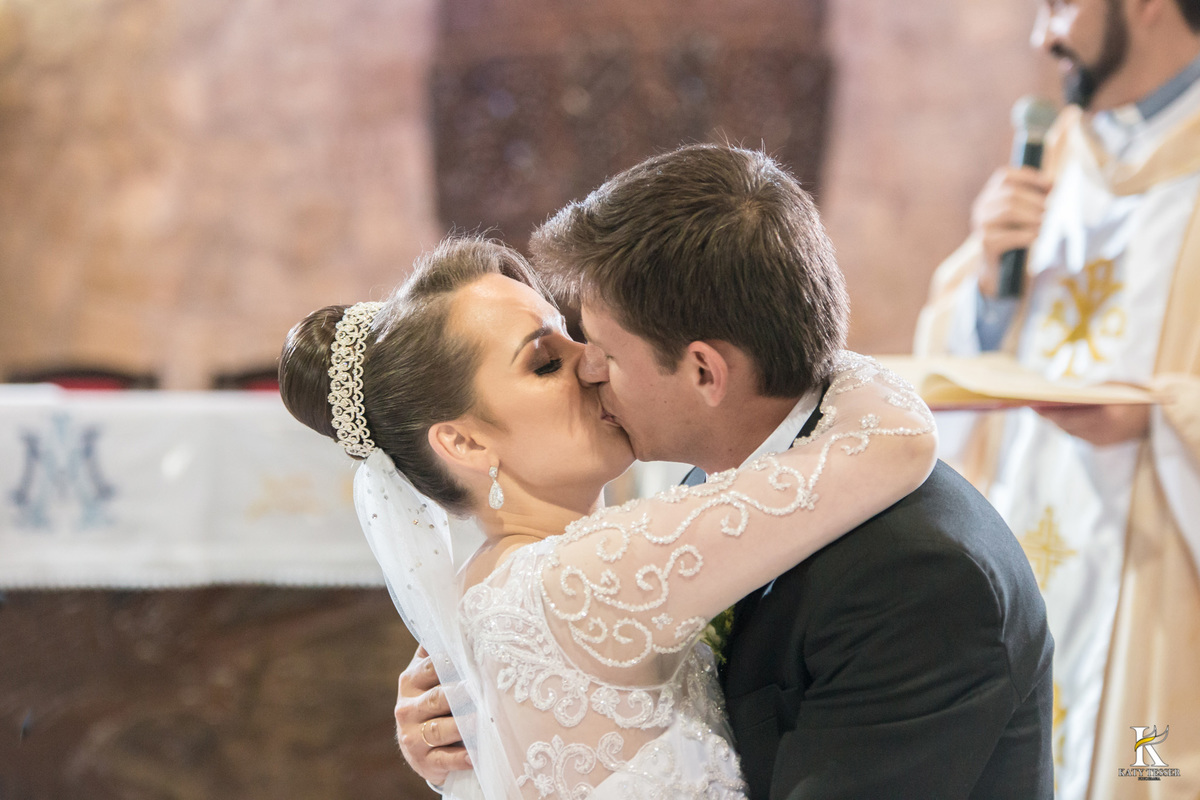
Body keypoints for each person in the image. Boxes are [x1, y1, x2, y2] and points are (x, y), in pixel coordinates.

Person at [394, 144, 1056, 798]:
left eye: (605, 352)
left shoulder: (920, 581)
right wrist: (489, 729)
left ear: (705, 372)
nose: (587, 369)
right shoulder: (716, 484)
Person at [280, 233, 939, 798]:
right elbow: (896, 443)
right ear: (466, 442)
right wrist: (768, 330)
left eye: (572, 335)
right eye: (544, 362)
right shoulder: (579, 580)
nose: (590, 363)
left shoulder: (497, 584)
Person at [914, 0, 1200, 796]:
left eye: (1059, 6)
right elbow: (948, 348)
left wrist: (1164, 418)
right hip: (1025, 549)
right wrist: (986, 296)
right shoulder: (1055, 152)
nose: (1044, 36)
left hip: (1163, 589)